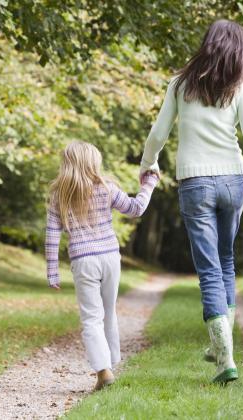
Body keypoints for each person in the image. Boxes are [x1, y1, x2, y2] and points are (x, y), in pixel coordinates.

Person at [140, 19, 243, 384]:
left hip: (195, 181)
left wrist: (147, 165)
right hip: (234, 180)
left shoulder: (180, 85)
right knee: (226, 260)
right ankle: (220, 347)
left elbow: (157, 134)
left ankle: (224, 357)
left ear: (207, 45)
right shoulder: (240, 90)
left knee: (210, 269)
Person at [45, 141, 159, 391]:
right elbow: (135, 209)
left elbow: (52, 234)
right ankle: (110, 364)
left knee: (91, 318)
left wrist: (52, 270)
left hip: (83, 260)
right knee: (109, 311)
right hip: (110, 257)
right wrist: (148, 185)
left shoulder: (58, 195)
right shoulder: (107, 188)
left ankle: (103, 370)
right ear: (93, 163)